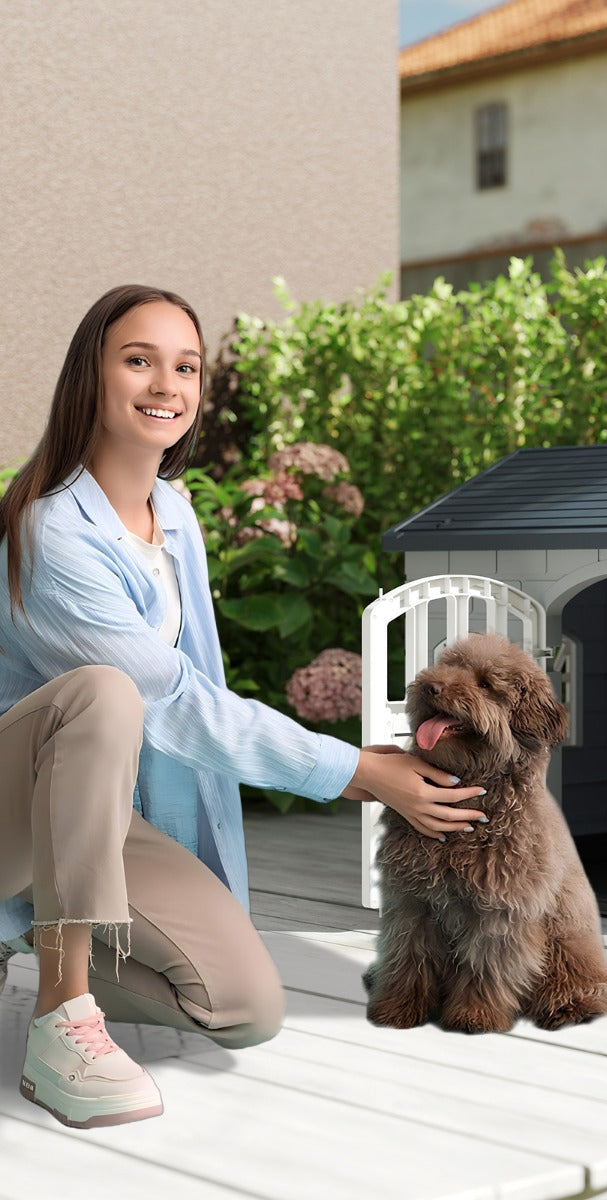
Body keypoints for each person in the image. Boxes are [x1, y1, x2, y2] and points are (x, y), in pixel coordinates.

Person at [0, 284, 487, 1129]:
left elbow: (207, 691)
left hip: (95, 821)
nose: (167, 385)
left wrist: (212, 878)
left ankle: (25, 932)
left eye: (186, 366)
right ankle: (61, 1016)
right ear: (93, 374)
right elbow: (175, 703)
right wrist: (356, 772)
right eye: (139, 360)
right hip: (12, 801)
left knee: (244, 1006)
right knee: (107, 691)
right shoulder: (50, 533)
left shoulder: (176, 516)